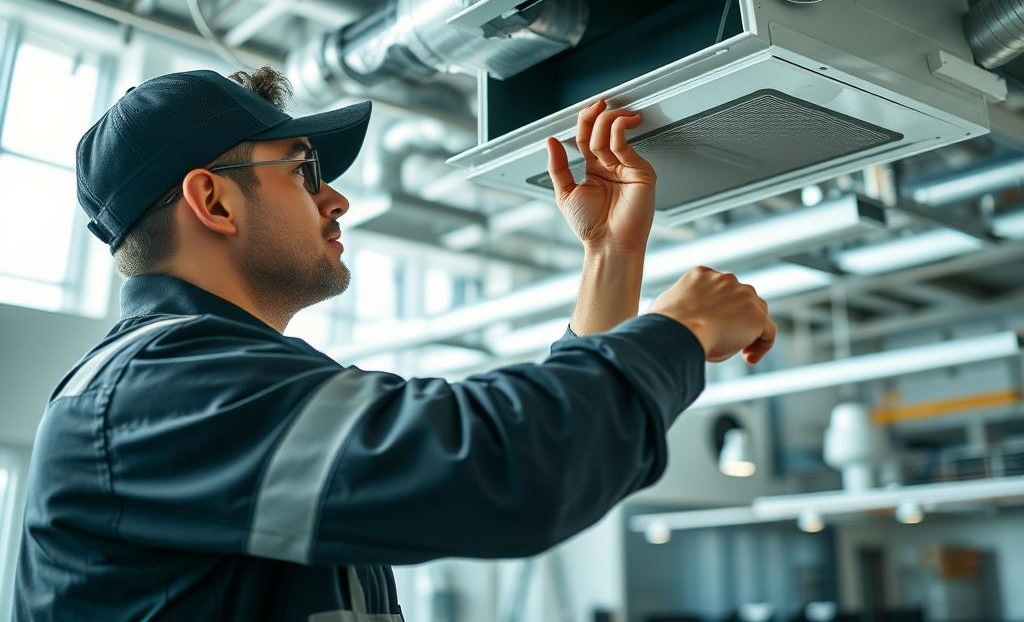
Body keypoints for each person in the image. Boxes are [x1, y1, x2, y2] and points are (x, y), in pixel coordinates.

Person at [13, 66, 775, 621]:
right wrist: (681, 329)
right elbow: (501, 468)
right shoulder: (158, 392)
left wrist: (611, 255)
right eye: (305, 171)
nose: (335, 198)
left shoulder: (205, 383)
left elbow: (519, 459)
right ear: (211, 200)